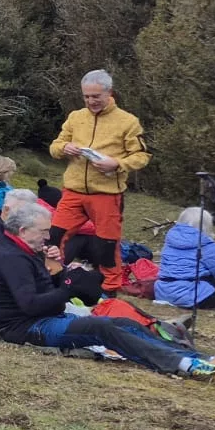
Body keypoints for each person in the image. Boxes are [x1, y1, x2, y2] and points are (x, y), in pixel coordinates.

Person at [0, 189, 215, 383]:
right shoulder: (10, 257)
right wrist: (68, 287)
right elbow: (29, 304)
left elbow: (43, 290)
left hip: (44, 318)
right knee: (104, 328)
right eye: (44, 231)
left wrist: (64, 276)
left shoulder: (24, 251)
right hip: (27, 328)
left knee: (125, 323)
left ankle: (204, 358)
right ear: (23, 231)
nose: (49, 236)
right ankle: (188, 367)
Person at [48, 70, 150, 293]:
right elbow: (54, 147)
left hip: (107, 193)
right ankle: (52, 277)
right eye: (86, 97)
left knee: (107, 244)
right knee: (54, 236)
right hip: (73, 190)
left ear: (109, 93)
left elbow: (142, 156)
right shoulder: (76, 117)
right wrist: (64, 147)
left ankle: (109, 290)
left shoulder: (128, 122)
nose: (91, 101)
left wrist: (117, 164)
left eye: (96, 96)